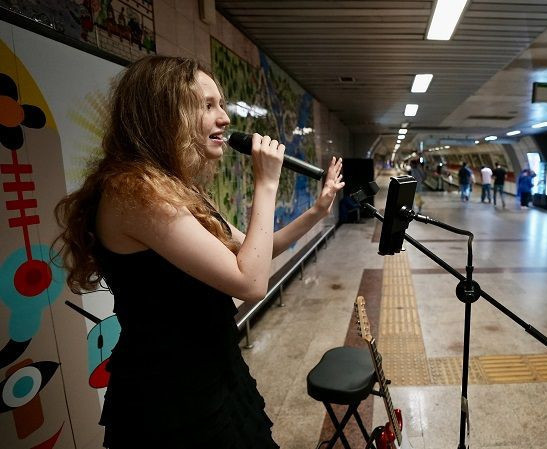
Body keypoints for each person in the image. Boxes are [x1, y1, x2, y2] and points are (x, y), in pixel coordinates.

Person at [53, 56, 345, 448]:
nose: (224, 117)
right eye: (207, 105)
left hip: (213, 371)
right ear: (163, 114)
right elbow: (251, 282)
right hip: (171, 396)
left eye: (221, 104)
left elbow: (253, 252)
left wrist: (317, 211)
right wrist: (266, 185)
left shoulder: (174, 189)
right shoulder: (134, 192)